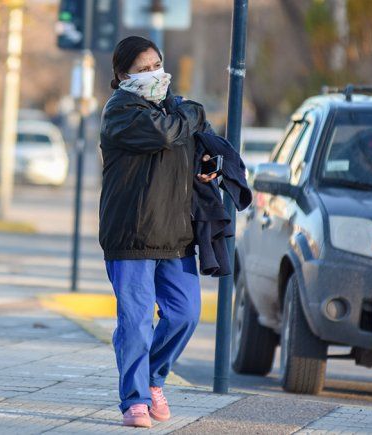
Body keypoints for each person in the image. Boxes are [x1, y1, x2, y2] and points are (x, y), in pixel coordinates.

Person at [99, 36, 216, 428]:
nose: (154, 74)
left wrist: (206, 163)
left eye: (157, 65)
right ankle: (133, 400)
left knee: (185, 315)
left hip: (175, 233)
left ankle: (150, 378)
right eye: (144, 68)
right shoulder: (121, 111)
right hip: (131, 235)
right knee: (135, 321)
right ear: (122, 74)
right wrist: (194, 115)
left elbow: (197, 142)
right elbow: (165, 134)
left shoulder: (176, 107)